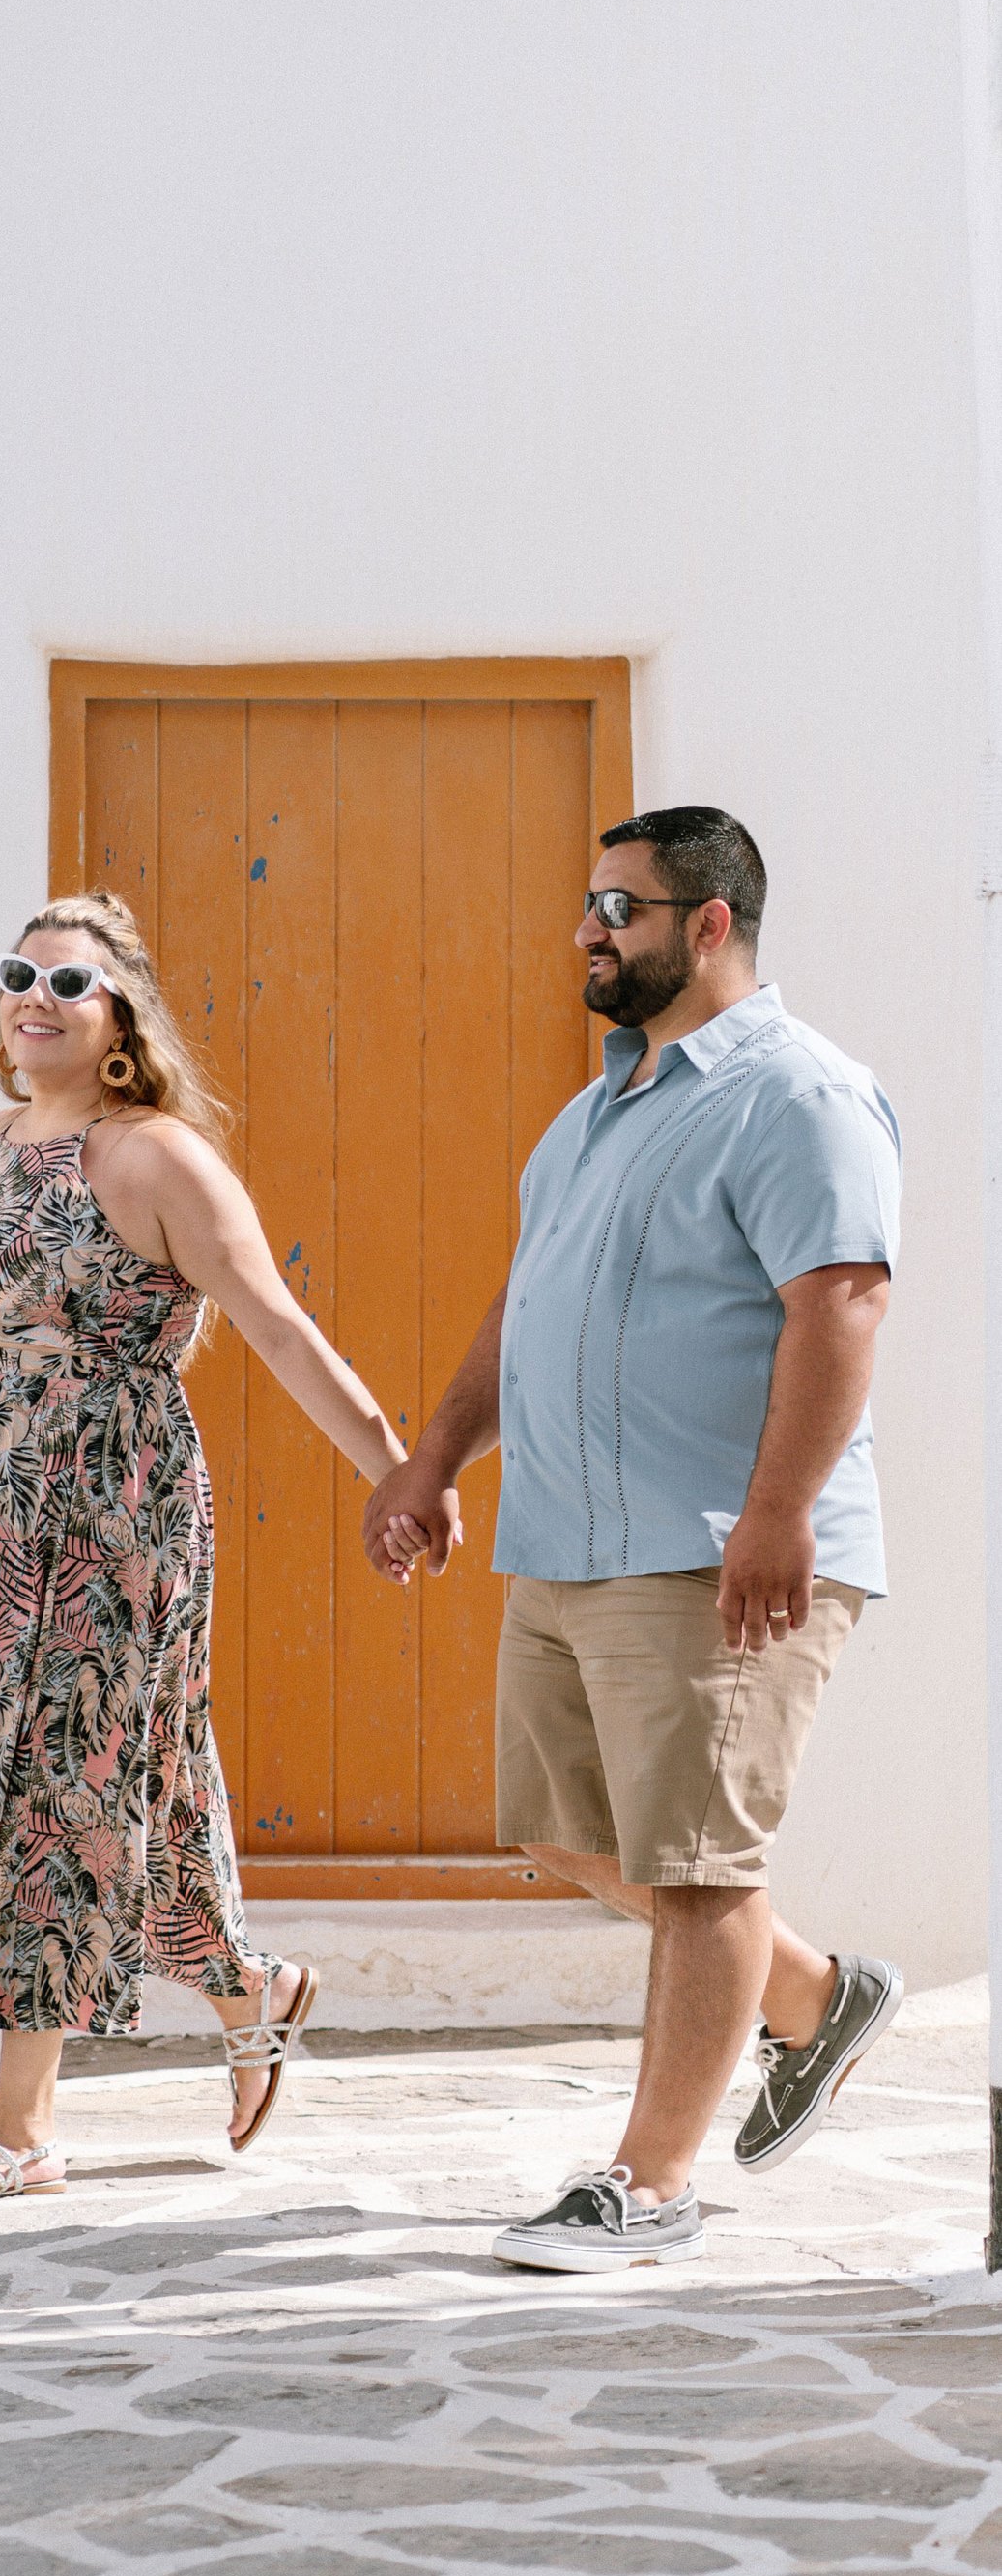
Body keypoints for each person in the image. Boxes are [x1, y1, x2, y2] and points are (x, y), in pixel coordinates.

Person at [365, 807, 902, 2272]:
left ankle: (650, 2183)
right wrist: (429, 1458)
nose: (592, 930)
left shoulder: (799, 1094)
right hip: (568, 1540)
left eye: (624, 906)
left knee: (702, 1865)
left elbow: (841, 1299)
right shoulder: (596, 1109)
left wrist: (779, 1512)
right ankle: (812, 1995)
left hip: (720, 1543)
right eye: (590, 905)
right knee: (567, 1829)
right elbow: (524, 1304)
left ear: (711, 923)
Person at [0, 892, 414, 2201]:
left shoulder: (156, 1158)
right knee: (131, 1766)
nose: (35, 996)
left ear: (122, 1014)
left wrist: (397, 1466)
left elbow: (277, 1325)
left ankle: (20, 2125)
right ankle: (250, 1982)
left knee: (61, 1781)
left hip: (97, 1511)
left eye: (69, 982)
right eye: (19, 973)